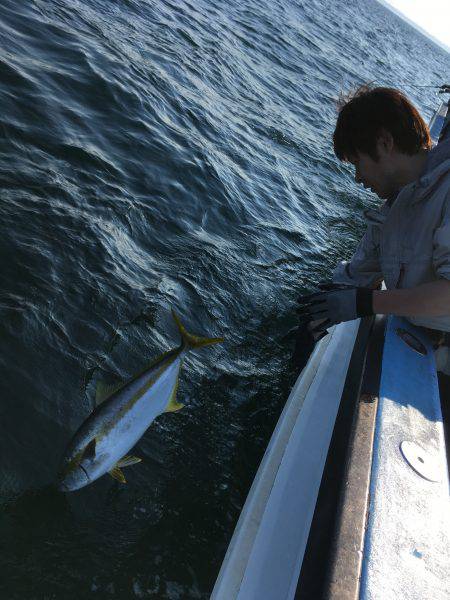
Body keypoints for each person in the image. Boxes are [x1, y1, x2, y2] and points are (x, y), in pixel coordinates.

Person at [295, 85, 450, 447]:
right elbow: (356, 273)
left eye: (357, 162)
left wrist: (367, 303)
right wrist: (314, 314)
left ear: (384, 142)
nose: (357, 178)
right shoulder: (393, 208)